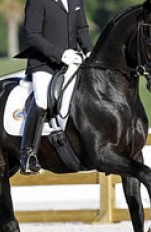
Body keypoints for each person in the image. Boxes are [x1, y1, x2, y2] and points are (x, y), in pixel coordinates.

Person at [16, 0, 93, 174]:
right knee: (42, 100)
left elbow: (82, 29)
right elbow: (32, 35)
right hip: (44, 64)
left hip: (72, 61)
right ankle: (27, 154)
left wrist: (89, 51)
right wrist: (60, 54)